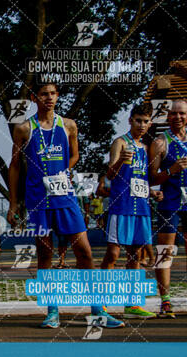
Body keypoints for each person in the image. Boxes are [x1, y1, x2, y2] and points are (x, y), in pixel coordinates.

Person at [7, 83, 124, 329]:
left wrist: (64, 170)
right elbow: (15, 165)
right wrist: (13, 203)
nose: (48, 98)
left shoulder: (68, 125)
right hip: (38, 199)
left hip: (65, 197)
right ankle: (52, 312)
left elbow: (75, 155)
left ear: (57, 97)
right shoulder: (24, 129)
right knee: (45, 255)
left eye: (52, 94)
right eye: (43, 94)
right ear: (34, 97)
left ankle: (97, 310)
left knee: (85, 252)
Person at [99, 103, 159, 319]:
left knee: (136, 255)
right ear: (130, 120)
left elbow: (140, 180)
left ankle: (132, 303)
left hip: (141, 207)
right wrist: (120, 163)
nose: (141, 125)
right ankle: (101, 303)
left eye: (145, 121)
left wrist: (152, 193)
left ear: (150, 123)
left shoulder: (145, 148)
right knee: (113, 254)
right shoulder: (120, 142)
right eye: (138, 120)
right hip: (121, 206)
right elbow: (110, 175)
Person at [148, 99, 187, 318]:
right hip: (170, 202)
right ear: (167, 116)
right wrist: (171, 170)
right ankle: (165, 301)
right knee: (165, 252)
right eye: (173, 114)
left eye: (181, 114)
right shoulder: (160, 142)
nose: (177, 117)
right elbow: (152, 176)